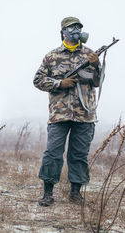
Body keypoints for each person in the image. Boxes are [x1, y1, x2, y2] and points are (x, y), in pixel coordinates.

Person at [33, 17, 102, 207]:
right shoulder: (51, 57)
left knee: (79, 155)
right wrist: (59, 83)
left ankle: (75, 194)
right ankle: (47, 194)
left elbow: (96, 82)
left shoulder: (90, 55)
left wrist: (96, 65)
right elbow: (38, 80)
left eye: (79, 28)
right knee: (53, 154)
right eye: (72, 28)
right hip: (59, 115)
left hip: (84, 114)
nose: (76, 31)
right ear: (63, 32)